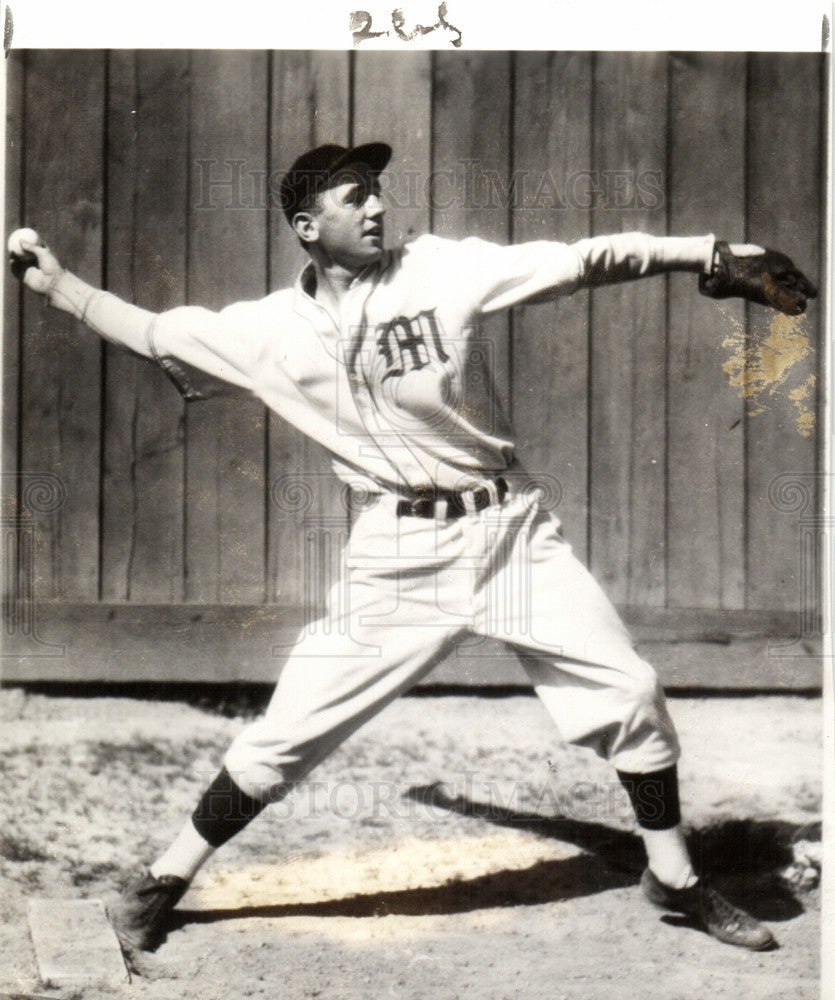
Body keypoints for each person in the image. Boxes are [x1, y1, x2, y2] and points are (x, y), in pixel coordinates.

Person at [9, 141, 817, 958]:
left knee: (631, 690)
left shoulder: (439, 270)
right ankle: (164, 881)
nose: (375, 207)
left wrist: (705, 254)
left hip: (508, 532)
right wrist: (60, 287)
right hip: (396, 556)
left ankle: (672, 876)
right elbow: (153, 334)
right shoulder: (266, 333)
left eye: (377, 193)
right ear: (305, 225)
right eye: (352, 197)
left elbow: (582, 260)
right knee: (287, 733)